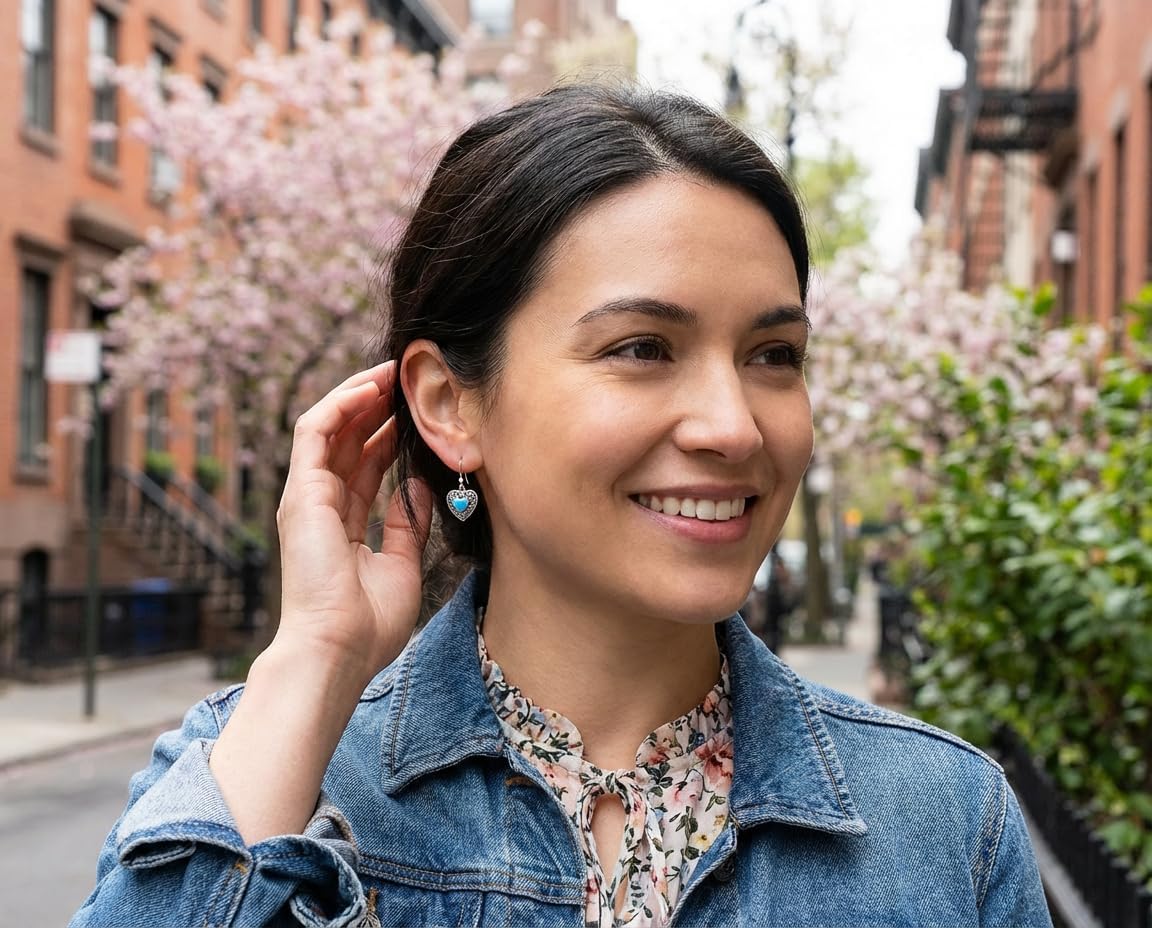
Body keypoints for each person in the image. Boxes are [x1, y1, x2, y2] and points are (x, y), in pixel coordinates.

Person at [70, 83, 1052, 928]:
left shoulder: (947, 821)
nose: (734, 426)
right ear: (451, 404)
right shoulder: (263, 778)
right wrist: (316, 656)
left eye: (773, 356)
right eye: (642, 347)